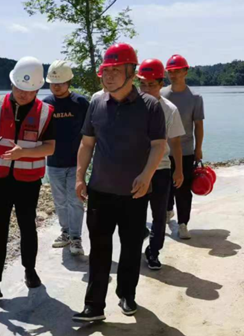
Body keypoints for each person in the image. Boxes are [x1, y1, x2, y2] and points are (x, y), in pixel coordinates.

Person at [72, 43, 167, 322]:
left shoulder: (150, 106)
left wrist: (147, 175)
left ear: (131, 72)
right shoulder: (96, 103)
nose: (109, 76)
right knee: (99, 250)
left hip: (134, 193)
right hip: (100, 191)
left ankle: (127, 294)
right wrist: (80, 177)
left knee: (130, 247)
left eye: (116, 70)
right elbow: (87, 143)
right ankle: (94, 306)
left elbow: (159, 145)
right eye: (106, 70)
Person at [0, 56, 56, 299]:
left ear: (38, 89)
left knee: (27, 226)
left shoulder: (46, 112)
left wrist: (23, 152)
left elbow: (50, 148)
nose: (23, 94)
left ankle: (30, 270)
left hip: (28, 181)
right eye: (18, 88)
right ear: (12, 83)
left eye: (29, 91)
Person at [137, 59, 185, 270]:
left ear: (161, 84)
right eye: (142, 84)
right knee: (135, 213)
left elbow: (175, 142)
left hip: (161, 169)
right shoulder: (130, 106)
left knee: (159, 215)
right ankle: (135, 246)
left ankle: (154, 252)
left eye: (151, 84)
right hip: (136, 169)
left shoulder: (170, 109)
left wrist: (179, 170)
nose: (146, 89)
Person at [43, 60, 90, 256]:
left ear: (69, 82)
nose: (56, 87)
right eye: (53, 83)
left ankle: (76, 238)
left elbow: (91, 131)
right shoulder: (46, 104)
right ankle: (65, 232)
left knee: (75, 200)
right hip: (54, 162)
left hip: (76, 162)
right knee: (60, 201)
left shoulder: (80, 103)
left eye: (60, 83)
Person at [161, 54, 205, 240]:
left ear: (186, 72)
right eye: (170, 71)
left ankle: (183, 224)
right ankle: (167, 210)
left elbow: (198, 125)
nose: (173, 75)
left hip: (186, 151)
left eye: (177, 71)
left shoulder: (195, 98)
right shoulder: (161, 94)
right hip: (163, 151)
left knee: (184, 189)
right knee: (165, 187)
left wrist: (198, 149)